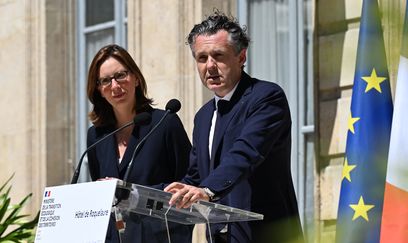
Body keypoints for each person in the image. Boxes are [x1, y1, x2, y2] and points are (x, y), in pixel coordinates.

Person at [164, 11, 304, 243]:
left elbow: (245, 153)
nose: (210, 66)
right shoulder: (203, 116)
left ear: (241, 57)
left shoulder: (266, 97)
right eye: (202, 58)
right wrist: (132, 190)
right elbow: (196, 176)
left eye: (218, 56)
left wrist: (207, 190)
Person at [86, 44, 192, 243]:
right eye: (106, 80)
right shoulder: (96, 136)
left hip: (161, 236)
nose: (115, 86)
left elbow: (189, 182)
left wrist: (132, 194)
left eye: (120, 75)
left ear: (135, 78)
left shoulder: (164, 123)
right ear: (99, 89)